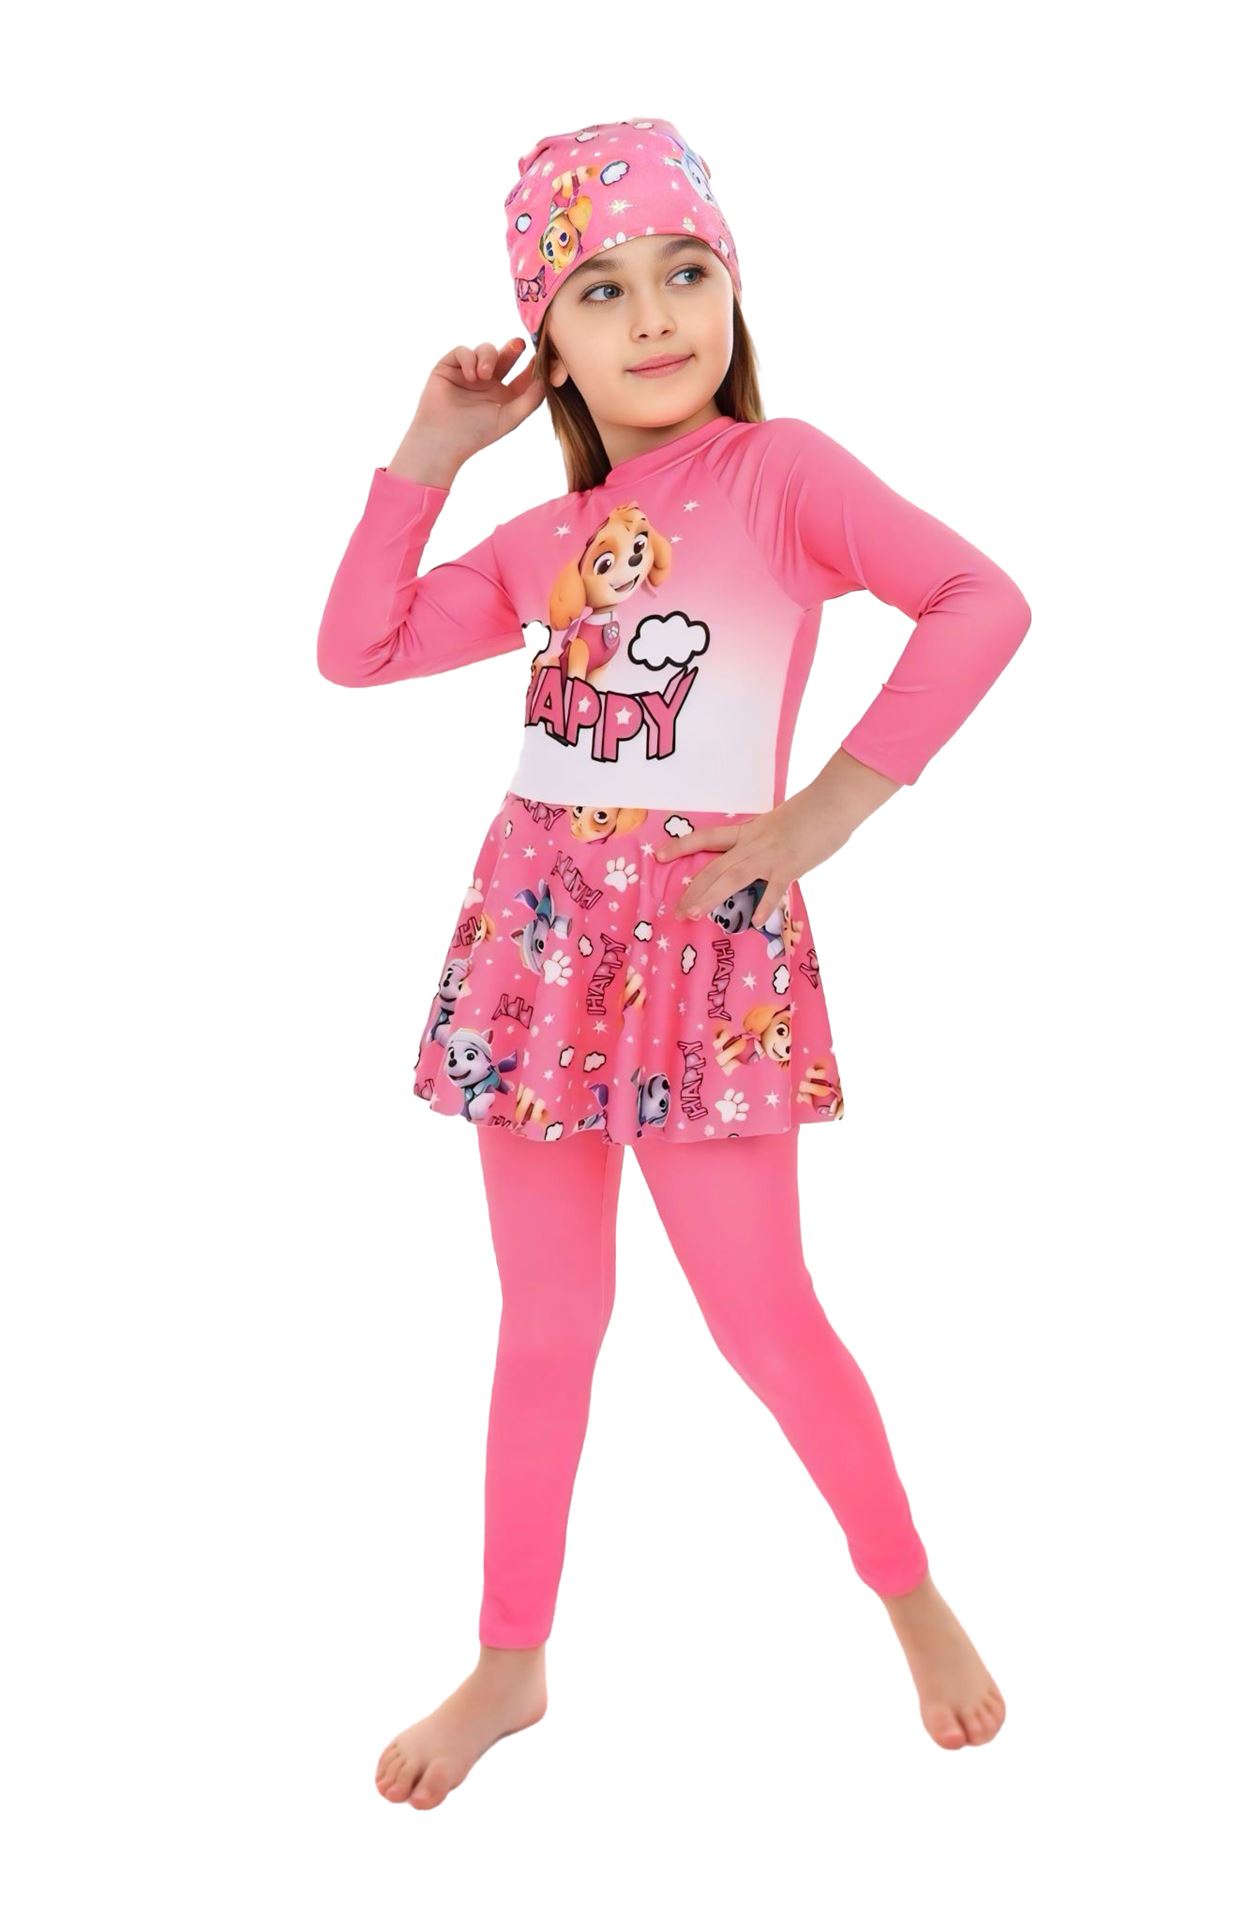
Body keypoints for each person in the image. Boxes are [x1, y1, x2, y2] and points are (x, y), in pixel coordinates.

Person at [317, 117, 1030, 1810]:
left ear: (731, 288)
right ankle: (511, 1659)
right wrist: (429, 452)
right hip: (540, 944)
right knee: (547, 1322)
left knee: (764, 1316)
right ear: (546, 341)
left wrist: (828, 812)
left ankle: (910, 1595)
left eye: (685, 271)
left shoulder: (782, 476)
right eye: (600, 288)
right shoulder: (548, 537)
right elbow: (357, 650)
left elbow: (980, 600)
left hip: (705, 941)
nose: (653, 314)